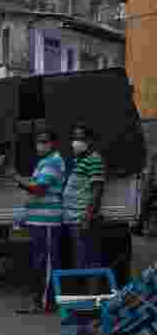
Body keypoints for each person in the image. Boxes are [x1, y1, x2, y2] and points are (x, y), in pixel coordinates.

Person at [10, 130, 66, 313]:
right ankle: (40, 300)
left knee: (47, 262)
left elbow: (39, 189)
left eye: (45, 142)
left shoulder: (53, 162)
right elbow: (35, 185)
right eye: (38, 142)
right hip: (39, 221)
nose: (40, 145)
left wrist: (17, 178)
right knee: (39, 261)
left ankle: (46, 302)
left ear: (53, 144)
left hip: (47, 221)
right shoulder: (44, 162)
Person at [63, 124, 107, 292]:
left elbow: (97, 191)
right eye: (74, 138)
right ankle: (87, 300)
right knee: (82, 260)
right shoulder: (79, 160)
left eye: (80, 138)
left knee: (91, 260)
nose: (76, 142)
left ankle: (93, 300)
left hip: (83, 218)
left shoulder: (94, 160)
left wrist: (88, 217)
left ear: (90, 141)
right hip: (74, 219)